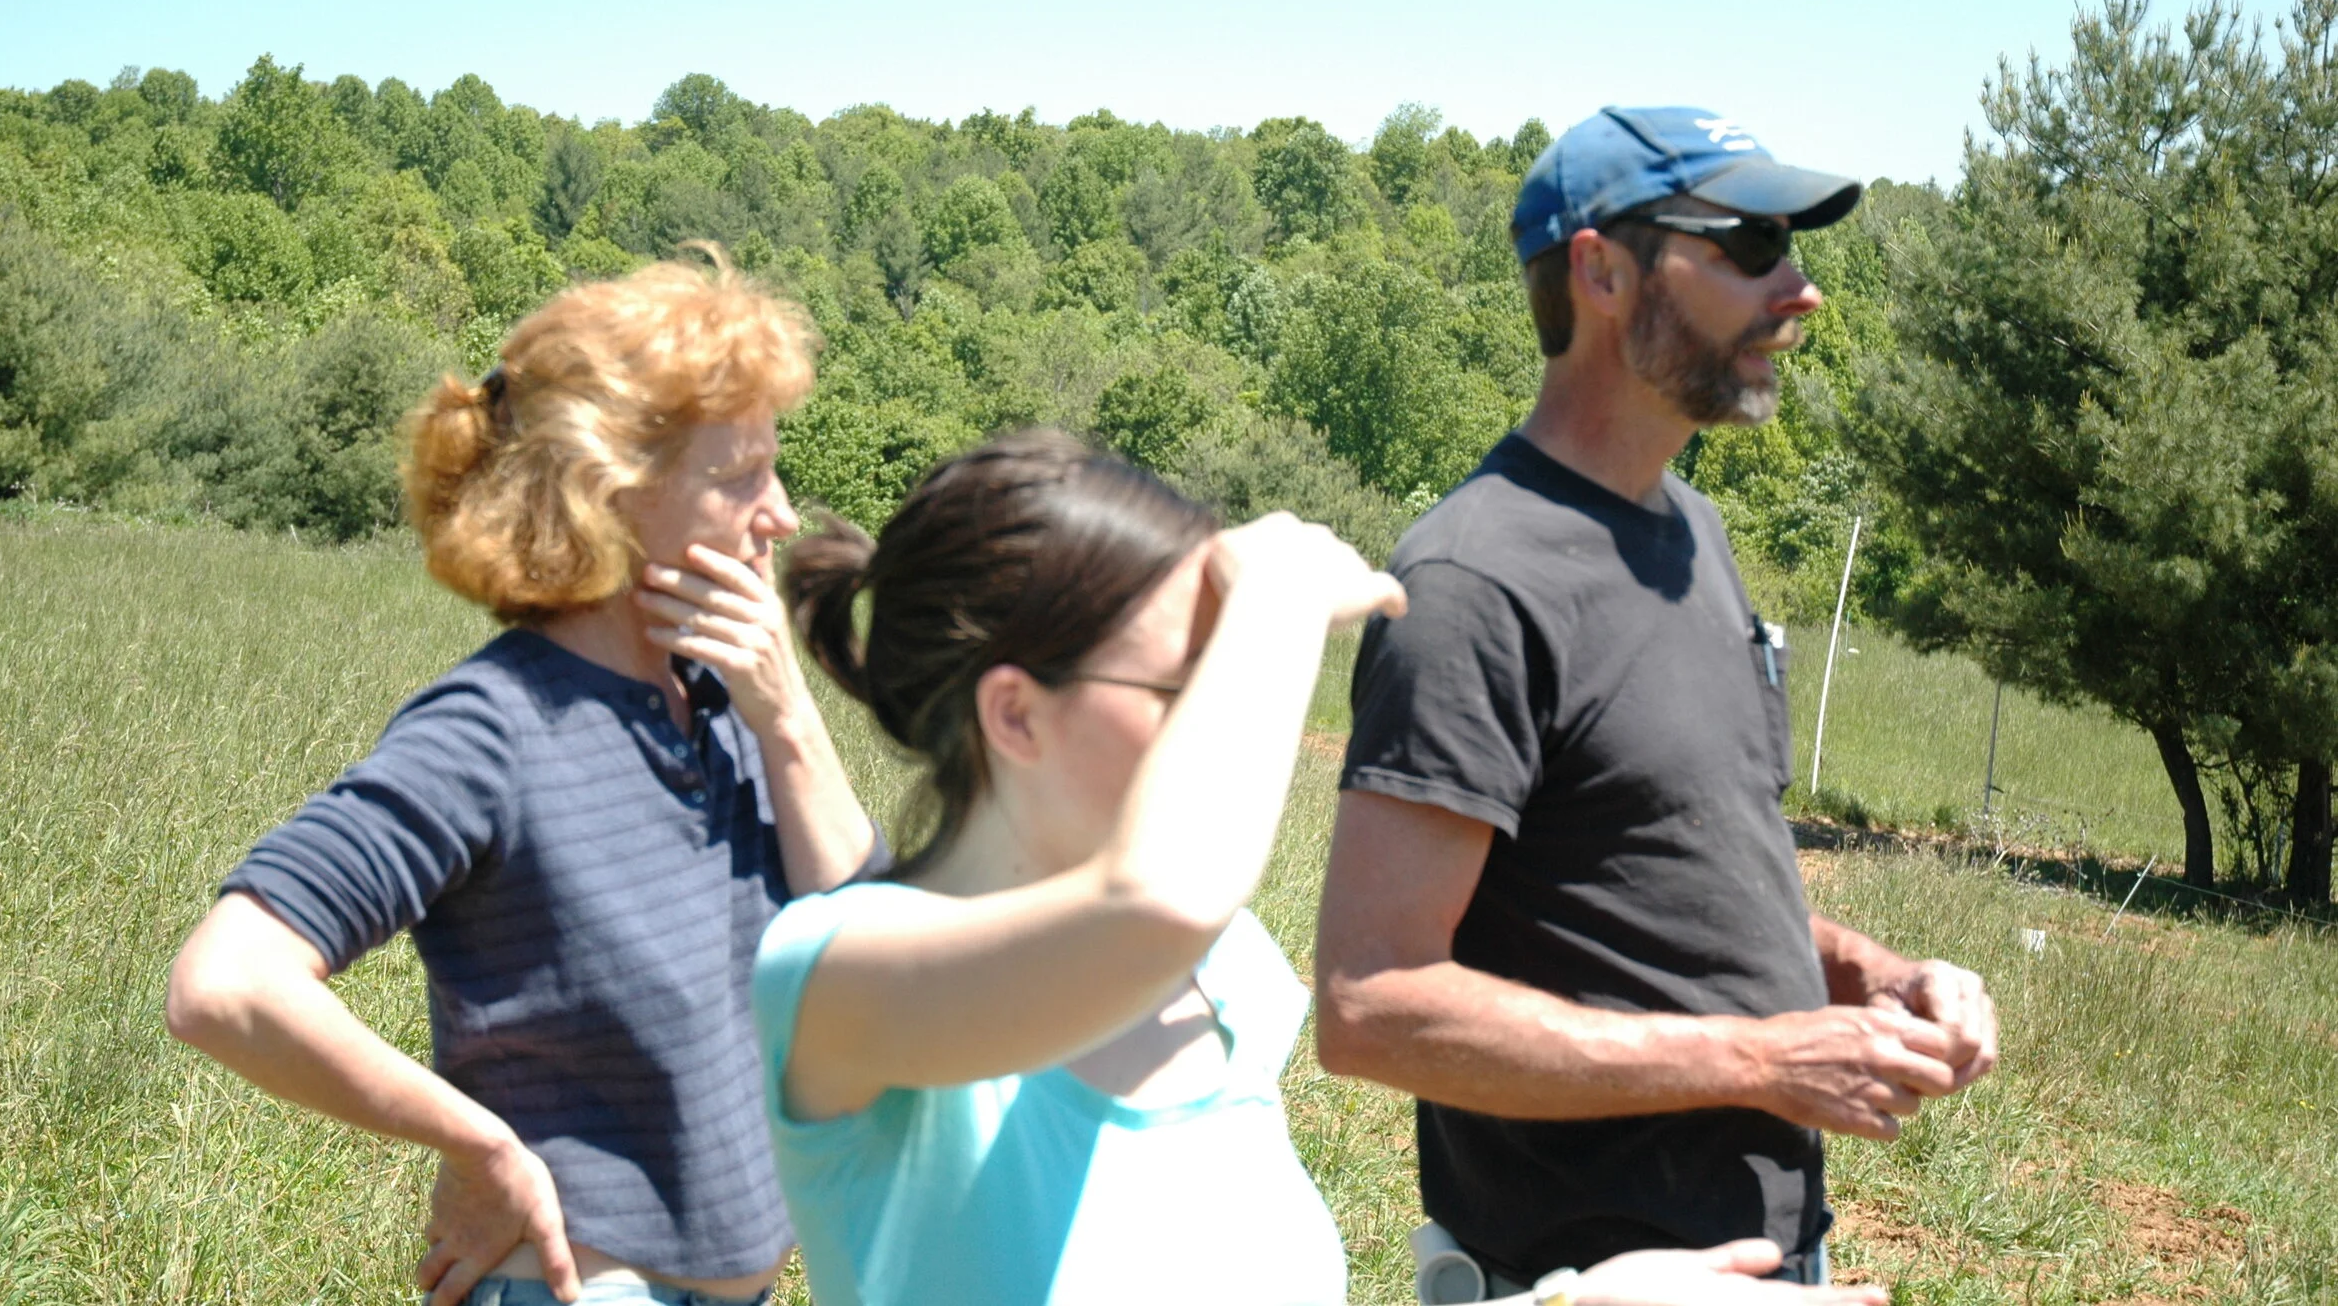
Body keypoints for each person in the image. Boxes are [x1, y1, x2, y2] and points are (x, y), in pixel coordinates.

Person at [748, 430, 1888, 1306]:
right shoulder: (837, 975)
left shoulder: (1222, 978)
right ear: (1016, 716)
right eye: (1189, 683)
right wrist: (1275, 601)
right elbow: (1157, 900)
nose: (1222, 718)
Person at [1313, 107, 2000, 1299]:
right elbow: (1368, 1005)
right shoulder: (1474, 583)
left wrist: (1870, 974)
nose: (1799, 289)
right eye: (1750, 244)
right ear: (1601, 272)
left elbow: (1665, 883)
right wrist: (1758, 1060)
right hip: (1580, 1280)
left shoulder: (1694, 534)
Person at [165, 256, 882, 1306]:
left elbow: (866, 949)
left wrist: (787, 716)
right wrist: (481, 1146)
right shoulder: (490, 730)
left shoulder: (722, 696)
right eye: (739, 476)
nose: (777, 514)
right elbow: (223, 985)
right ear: (608, 493)